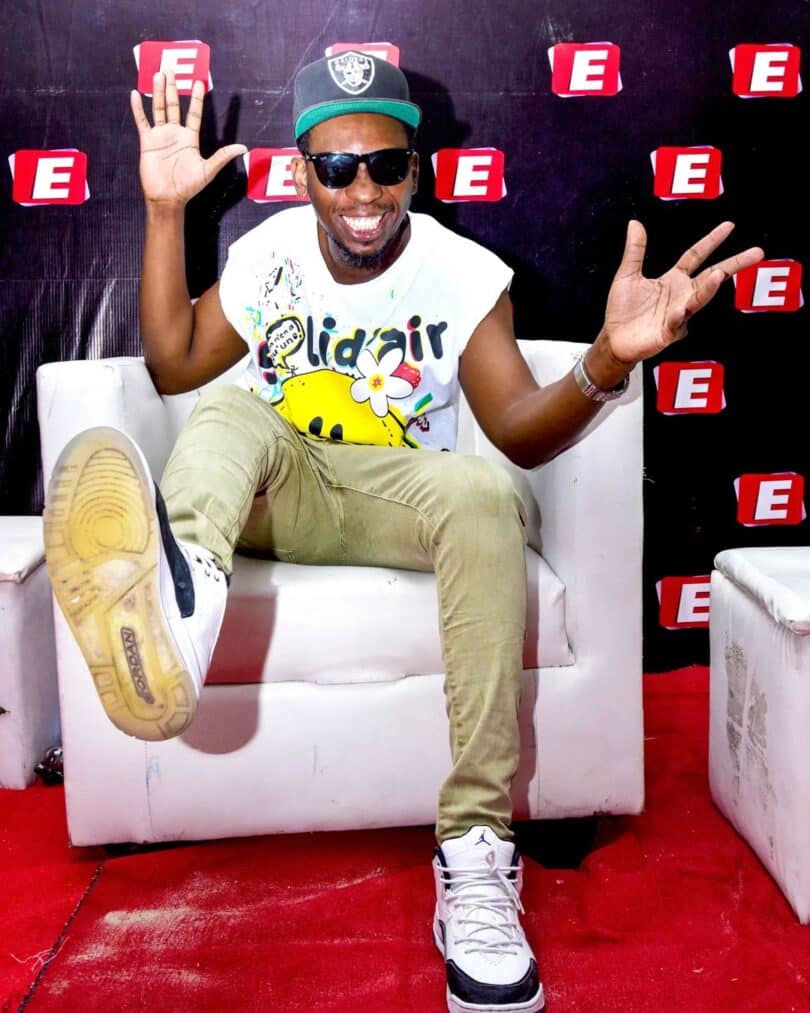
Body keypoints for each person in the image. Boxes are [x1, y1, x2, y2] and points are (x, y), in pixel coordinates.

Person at [43, 51, 763, 1013]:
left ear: (415, 171)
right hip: (277, 488)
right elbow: (173, 365)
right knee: (227, 411)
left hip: (397, 501)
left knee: (480, 489)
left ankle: (476, 851)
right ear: (303, 173)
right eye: (337, 168)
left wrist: (604, 359)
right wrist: (166, 211)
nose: (363, 193)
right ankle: (180, 612)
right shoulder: (268, 256)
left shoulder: (463, 273)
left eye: (385, 165)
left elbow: (517, 431)